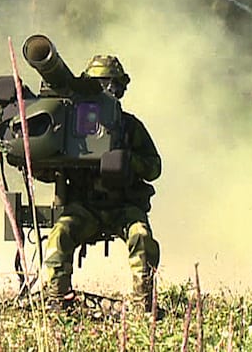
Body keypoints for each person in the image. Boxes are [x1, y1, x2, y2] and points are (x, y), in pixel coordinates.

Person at [38, 54, 163, 317]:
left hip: (124, 207)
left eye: (112, 84)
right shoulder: (73, 127)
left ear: (121, 89)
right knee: (60, 234)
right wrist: (42, 164)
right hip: (85, 209)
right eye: (100, 84)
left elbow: (154, 168)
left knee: (141, 235)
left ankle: (143, 304)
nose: (107, 90)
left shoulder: (129, 126)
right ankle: (57, 300)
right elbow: (51, 171)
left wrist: (128, 160)